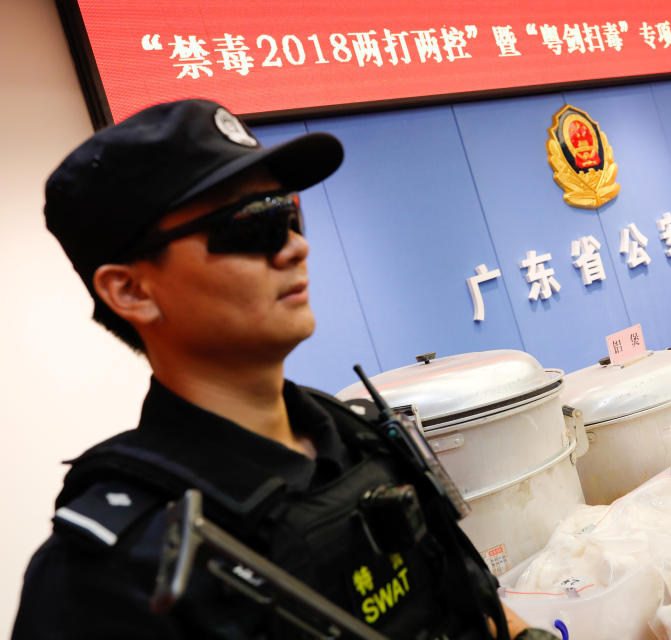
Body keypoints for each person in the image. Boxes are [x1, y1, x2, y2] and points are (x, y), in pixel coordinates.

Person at [13, 99, 550, 640]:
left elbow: (475, 602)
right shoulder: (103, 577)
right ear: (130, 290)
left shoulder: (362, 439)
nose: (296, 246)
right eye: (252, 224)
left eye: (288, 212)